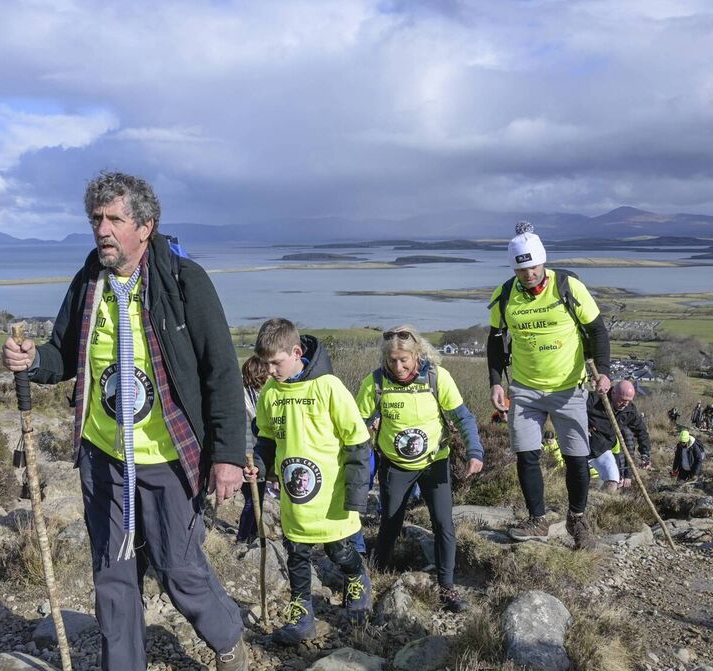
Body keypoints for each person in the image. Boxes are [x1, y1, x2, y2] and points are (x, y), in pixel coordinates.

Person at [1, 171, 249, 671]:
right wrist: (32, 362)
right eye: (96, 220)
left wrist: (229, 454)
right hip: (104, 454)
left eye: (114, 219)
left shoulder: (185, 282)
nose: (102, 230)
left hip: (168, 455)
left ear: (145, 226)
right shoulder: (89, 280)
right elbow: (65, 354)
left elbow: (221, 372)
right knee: (113, 570)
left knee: (179, 566)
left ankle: (228, 637)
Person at [247, 319, 372, 644]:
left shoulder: (328, 387)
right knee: (297, 555)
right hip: (295, 500)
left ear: (297, 352)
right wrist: (259, 467)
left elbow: (358, 441)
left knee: (339, 550)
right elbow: (266, 441)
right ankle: (301, 613)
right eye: (266, 364)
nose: (271, 370)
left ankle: (357, 577)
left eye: (277, 362)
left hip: (331, 498)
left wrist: (357, 496)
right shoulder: (270, 394)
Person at [487, 222, 611, 549]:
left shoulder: (567, 286)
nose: (528, 274)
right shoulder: (504, 296)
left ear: (544, 262)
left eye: (534, 266)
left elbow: (597, 330)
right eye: (522, 269)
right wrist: (495, 383)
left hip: (569, 387)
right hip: (526, 390)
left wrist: (605, 372)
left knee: (576, 458)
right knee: (527, 455)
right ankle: (537, 520)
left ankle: (577, 518)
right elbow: (495, 341)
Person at [358, 325, 483, 612]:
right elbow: (356, 425)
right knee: (390, 521)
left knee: (443, 524)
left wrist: (474, 451)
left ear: (418, 355)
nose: (398, 367)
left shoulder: (437, 378)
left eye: (405, 360)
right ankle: (377, 573)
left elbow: (463, 417)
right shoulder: (375, 383)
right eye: (392, 361)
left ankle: (447, 587)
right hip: (396, 464)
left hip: (434, 462)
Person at [237, 356, 270, 543]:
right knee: (252, 499)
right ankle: (243, 537)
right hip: (249, 455)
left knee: (256, 498)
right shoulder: (245, 398)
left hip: (255, 455)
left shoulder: (255, 395)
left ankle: (251, 534)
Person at [610, 380, 652, 490]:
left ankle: (622, 476)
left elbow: (641, 431)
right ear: (614, 394)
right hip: (598, 444)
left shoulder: (630, 410)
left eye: (628, 401)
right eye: (623, 400)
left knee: (627, 435)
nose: (625, 404)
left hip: (618, 446)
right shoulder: (598, 401)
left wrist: (645, 454)